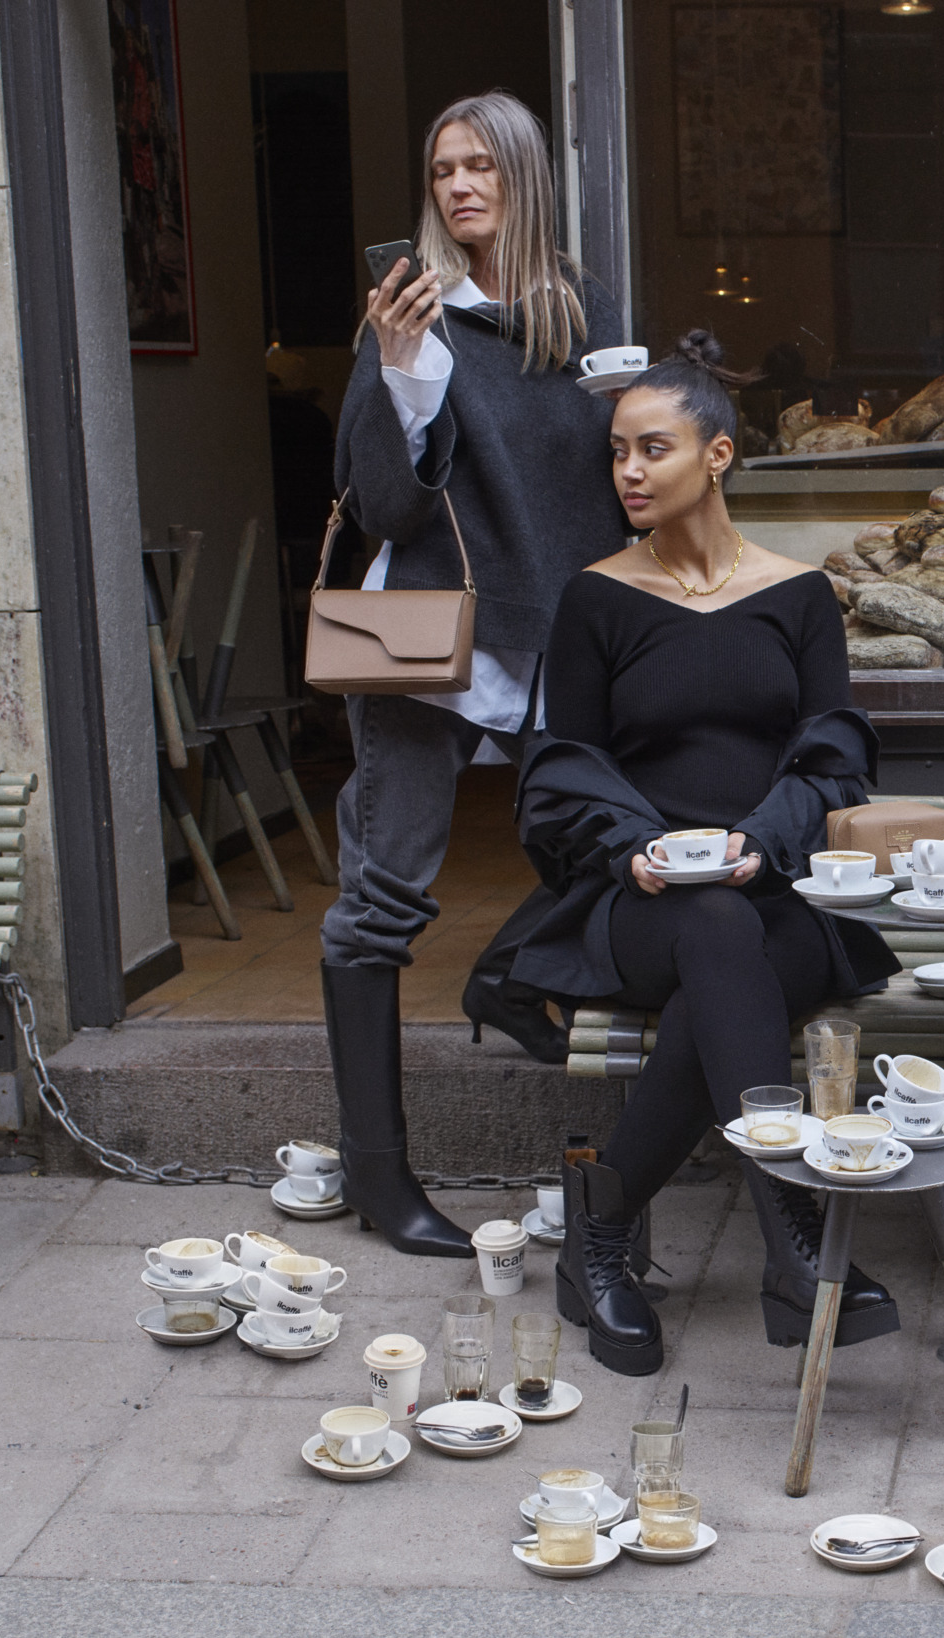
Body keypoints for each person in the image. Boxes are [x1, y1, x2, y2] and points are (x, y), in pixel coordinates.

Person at [510, 335, 901, 1377]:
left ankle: (599, 1231)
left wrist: (761, 839)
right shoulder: (596, 598)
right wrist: (629, 847)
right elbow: (560, 770)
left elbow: (834, 759)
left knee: (722, 963)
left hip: (778, 896)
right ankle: (797, 1238)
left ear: (717, 455)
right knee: (712, 933)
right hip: (640, 898)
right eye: (617, 453)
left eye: (654, 448)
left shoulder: (799, 593)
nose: (628, 472)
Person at [324, 90, 626, 1256]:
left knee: (608, 847)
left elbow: (618, 474)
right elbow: (380, 503)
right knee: (381, 899)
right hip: (422, 642)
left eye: (480, 166)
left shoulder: (583, 315)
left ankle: (504, 975)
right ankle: (377, 1172)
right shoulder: (411, 314)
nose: (457, 185)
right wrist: (401, 369)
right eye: (442, 169)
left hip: (554, 633)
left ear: (523, 176)